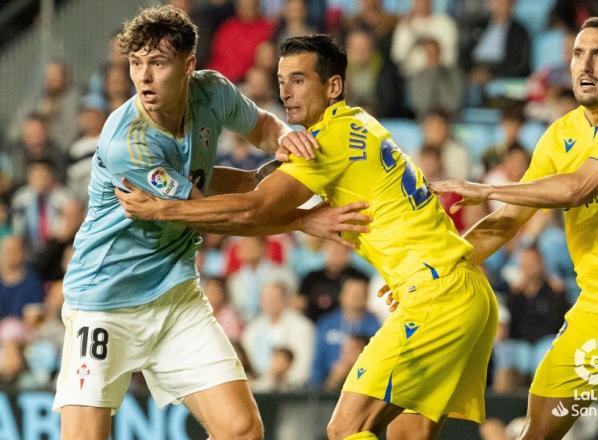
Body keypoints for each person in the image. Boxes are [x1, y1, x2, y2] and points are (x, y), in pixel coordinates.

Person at [116, 34, 498, 440]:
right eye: (281, 81)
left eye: (298, 80)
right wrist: (184, 180)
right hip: (468, 292)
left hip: (435, 297)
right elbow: (252, 185)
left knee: (346, 428)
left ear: (333, 87)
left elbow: (254, 209)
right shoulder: (359, 123)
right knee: (407, 435)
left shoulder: (327, 141)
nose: (285, 93)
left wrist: (166, 210)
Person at [53, 7, 365, 440]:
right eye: (136, 63)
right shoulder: (129, 140)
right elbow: (216, 213)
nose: (143, 77)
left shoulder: (213, 92)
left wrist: (282, 140)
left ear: (188, 66)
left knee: (242, 430)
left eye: (157, 63)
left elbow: (260, 126)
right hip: (105, 302)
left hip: (174, 295)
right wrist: (304, 219)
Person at [431, 17, 598, 439]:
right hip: (596, 313)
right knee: (536, 433)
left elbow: (576, 189)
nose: (585, 66)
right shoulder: (559, 136)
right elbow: (507, 220)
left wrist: (490, 187)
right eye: (577, 54)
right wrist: (438, 268)